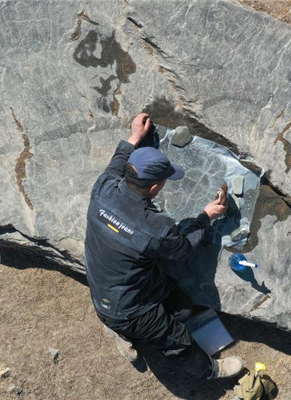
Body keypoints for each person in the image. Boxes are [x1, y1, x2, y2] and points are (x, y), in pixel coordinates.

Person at [84, 112, 244, 379]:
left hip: (102, 287)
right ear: (155, 186)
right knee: (176, 338)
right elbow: (182, 249)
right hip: (130, 311)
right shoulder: (155, 227)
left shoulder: (104, 188)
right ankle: (211, 371)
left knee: (167, 293)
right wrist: (206, 217)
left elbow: (117, 161)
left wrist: (135, 136)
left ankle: (118, 329)